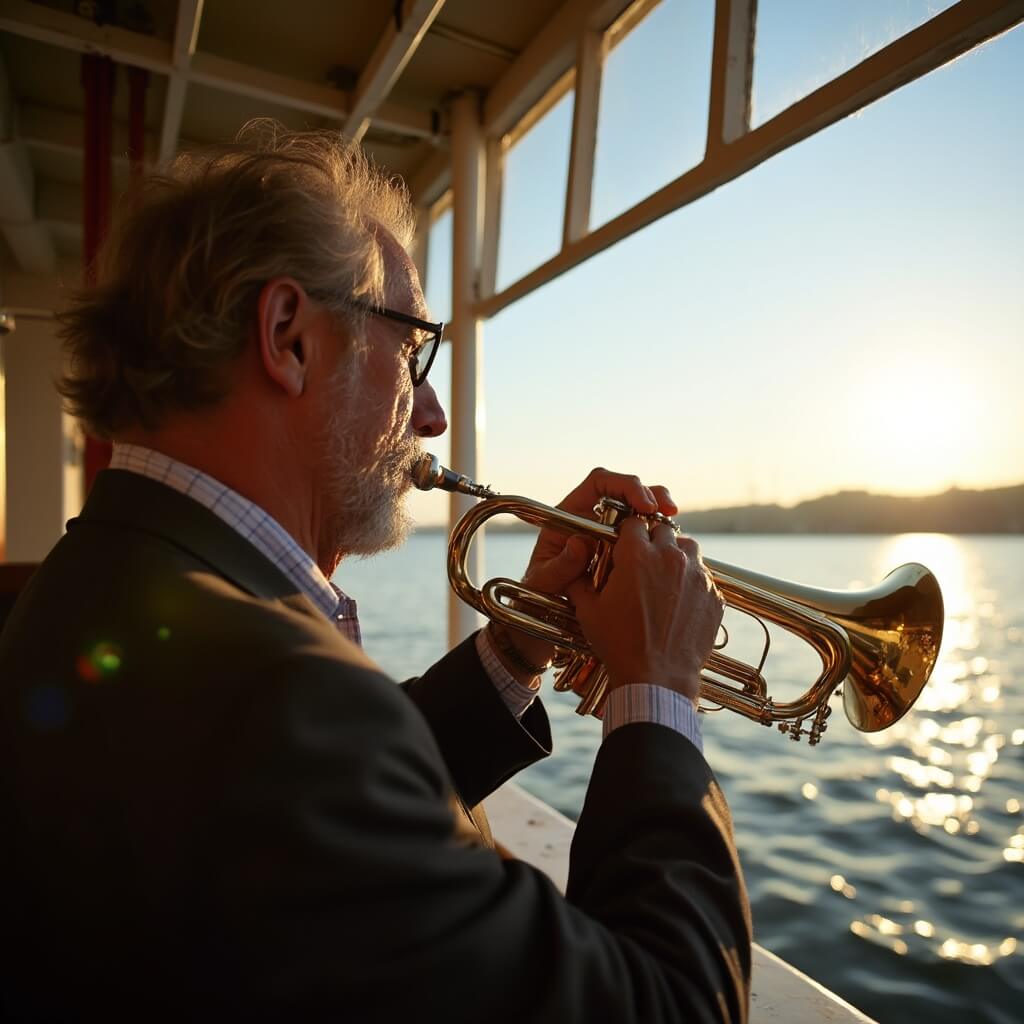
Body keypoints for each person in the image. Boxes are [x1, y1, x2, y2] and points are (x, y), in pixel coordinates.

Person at [0, 122, 751, 1022]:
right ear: (288, 336)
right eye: (412, 348)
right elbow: (676, 1006)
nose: (431, 417)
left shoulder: (103, 570)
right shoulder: (274, 696)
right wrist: (658, 691)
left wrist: (516, 647)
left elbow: (336, 812)